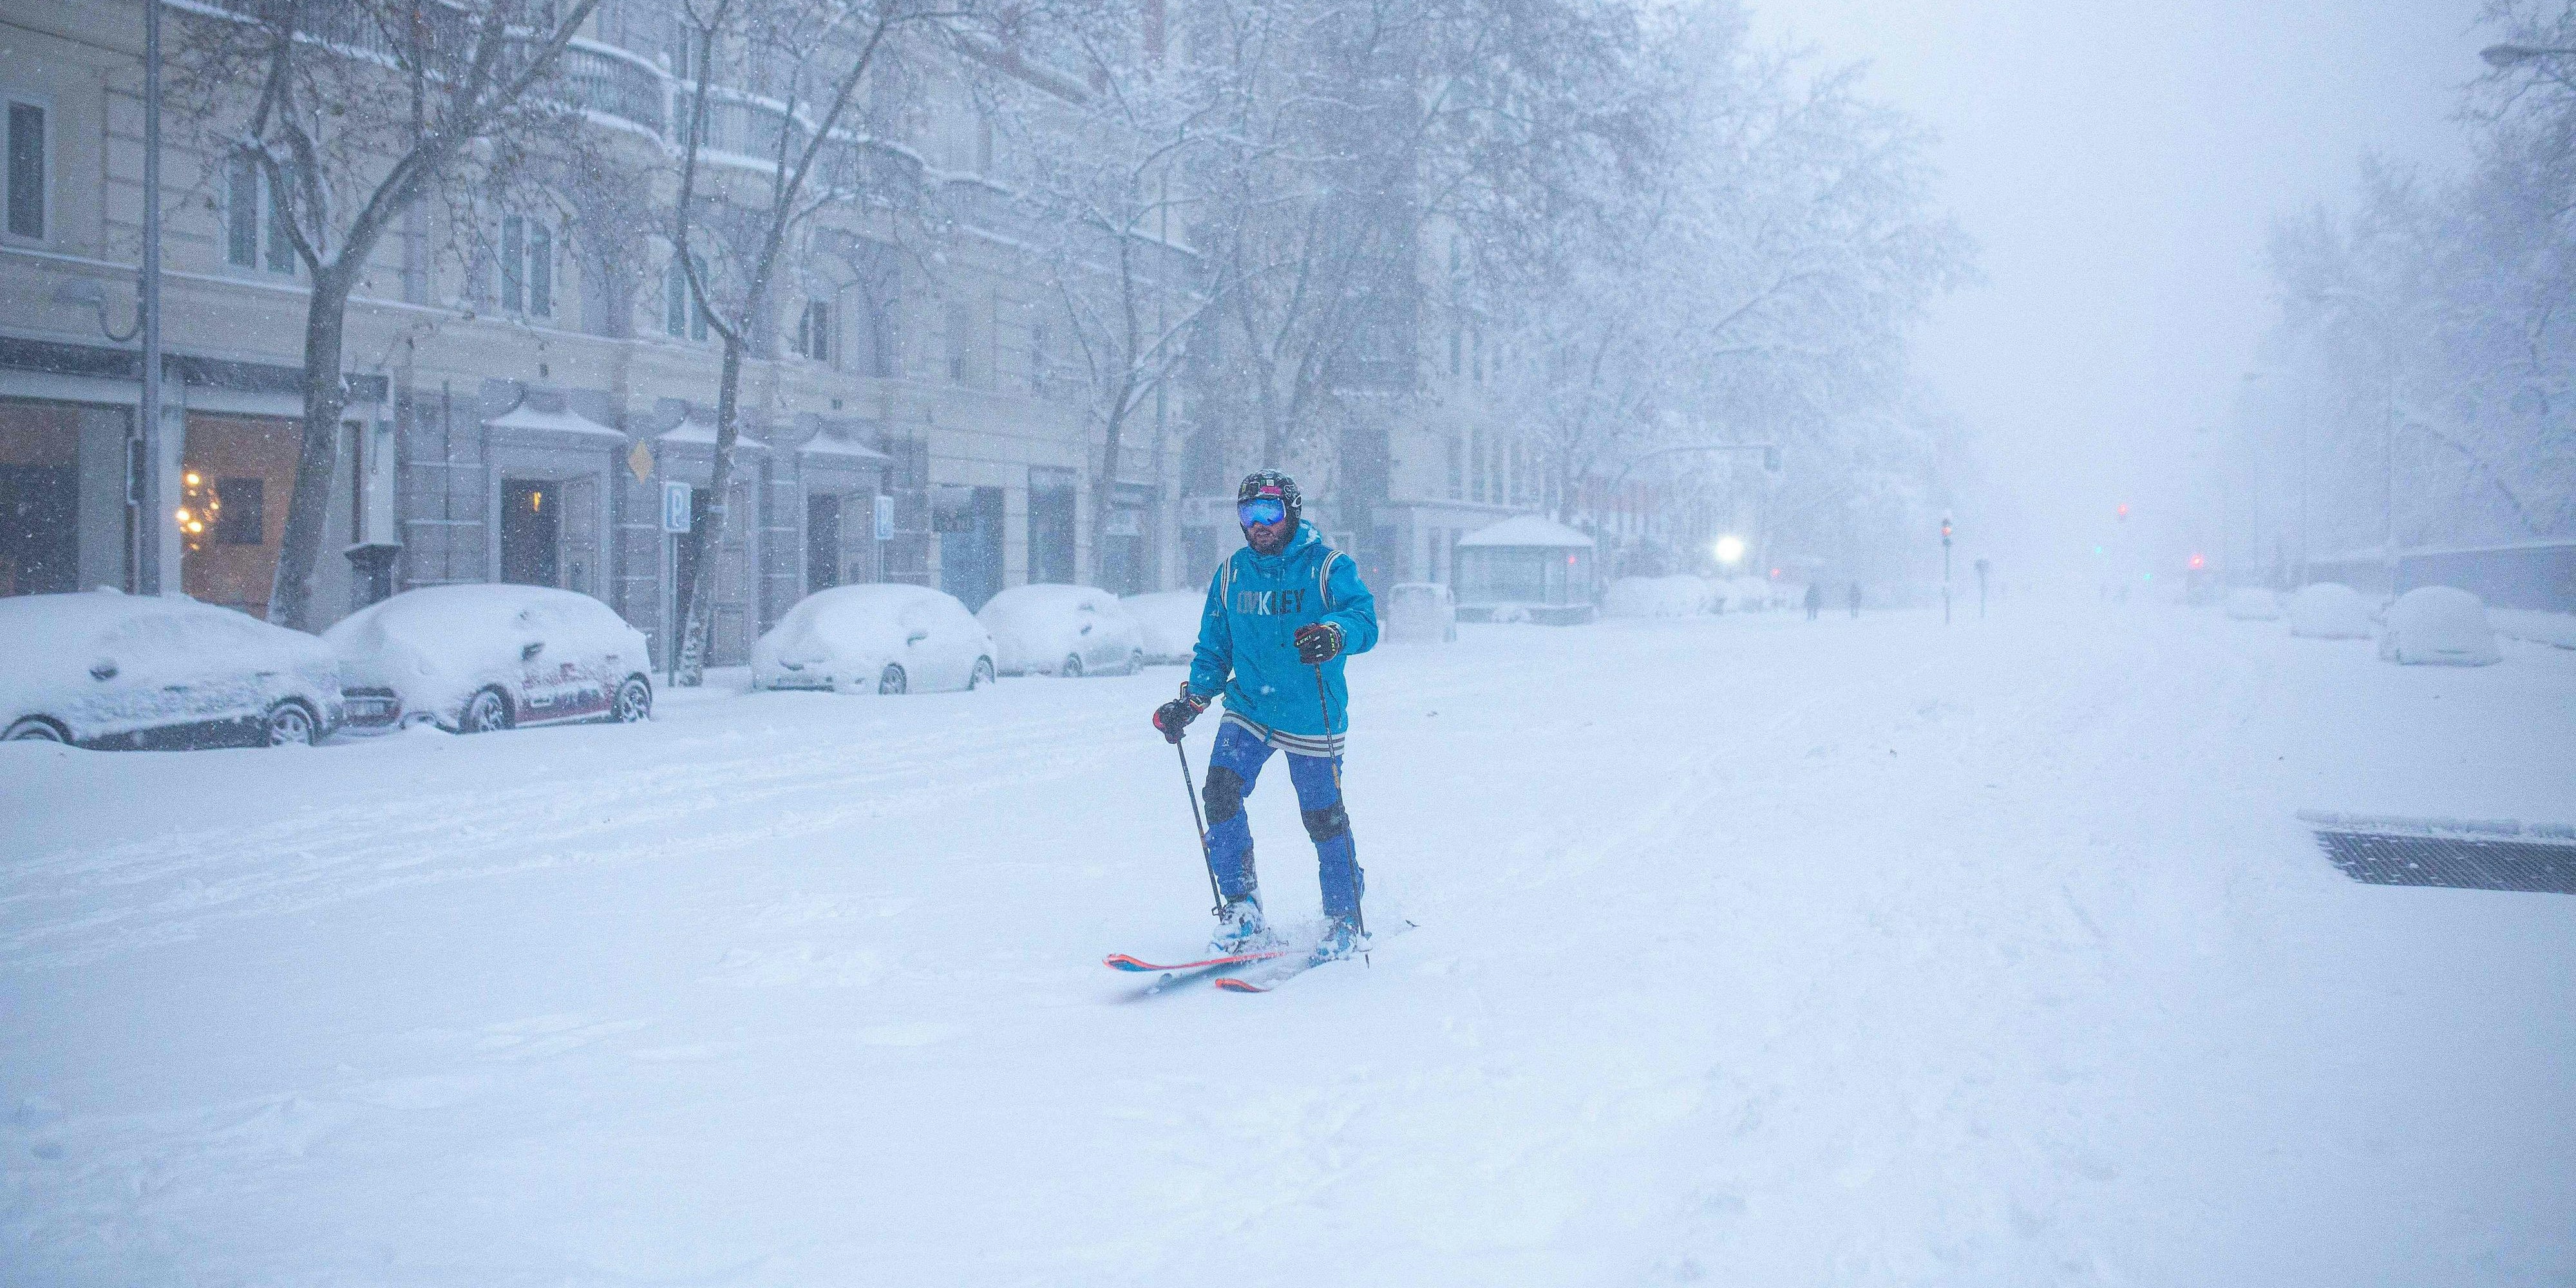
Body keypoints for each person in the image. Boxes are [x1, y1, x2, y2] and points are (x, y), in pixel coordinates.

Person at [1153, 471, 1379, 959]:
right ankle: (1243, 909)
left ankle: (1344, 916)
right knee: (1221, 793)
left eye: (1270, 514)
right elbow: (1215, 647)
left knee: (1322, 817)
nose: (1260, 526)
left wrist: (1335, 633)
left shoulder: (1327, 567)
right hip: (1251, 707)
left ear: (1292, 512)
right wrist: (1190, 703)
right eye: (1249, 515)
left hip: (1310, 711)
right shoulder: (1233, 574)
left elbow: (1365, 619)